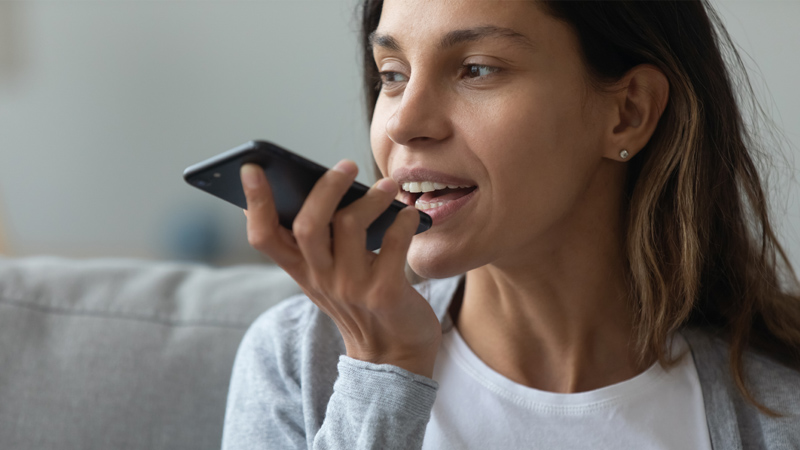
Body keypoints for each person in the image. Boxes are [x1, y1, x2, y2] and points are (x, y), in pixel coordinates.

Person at [221, 0, 800, 448]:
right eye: (392, 74)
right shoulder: (299, 360)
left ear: (628, 113)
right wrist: (383, 378)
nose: (404, 123)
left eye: (476, 69)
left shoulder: (779, 407)